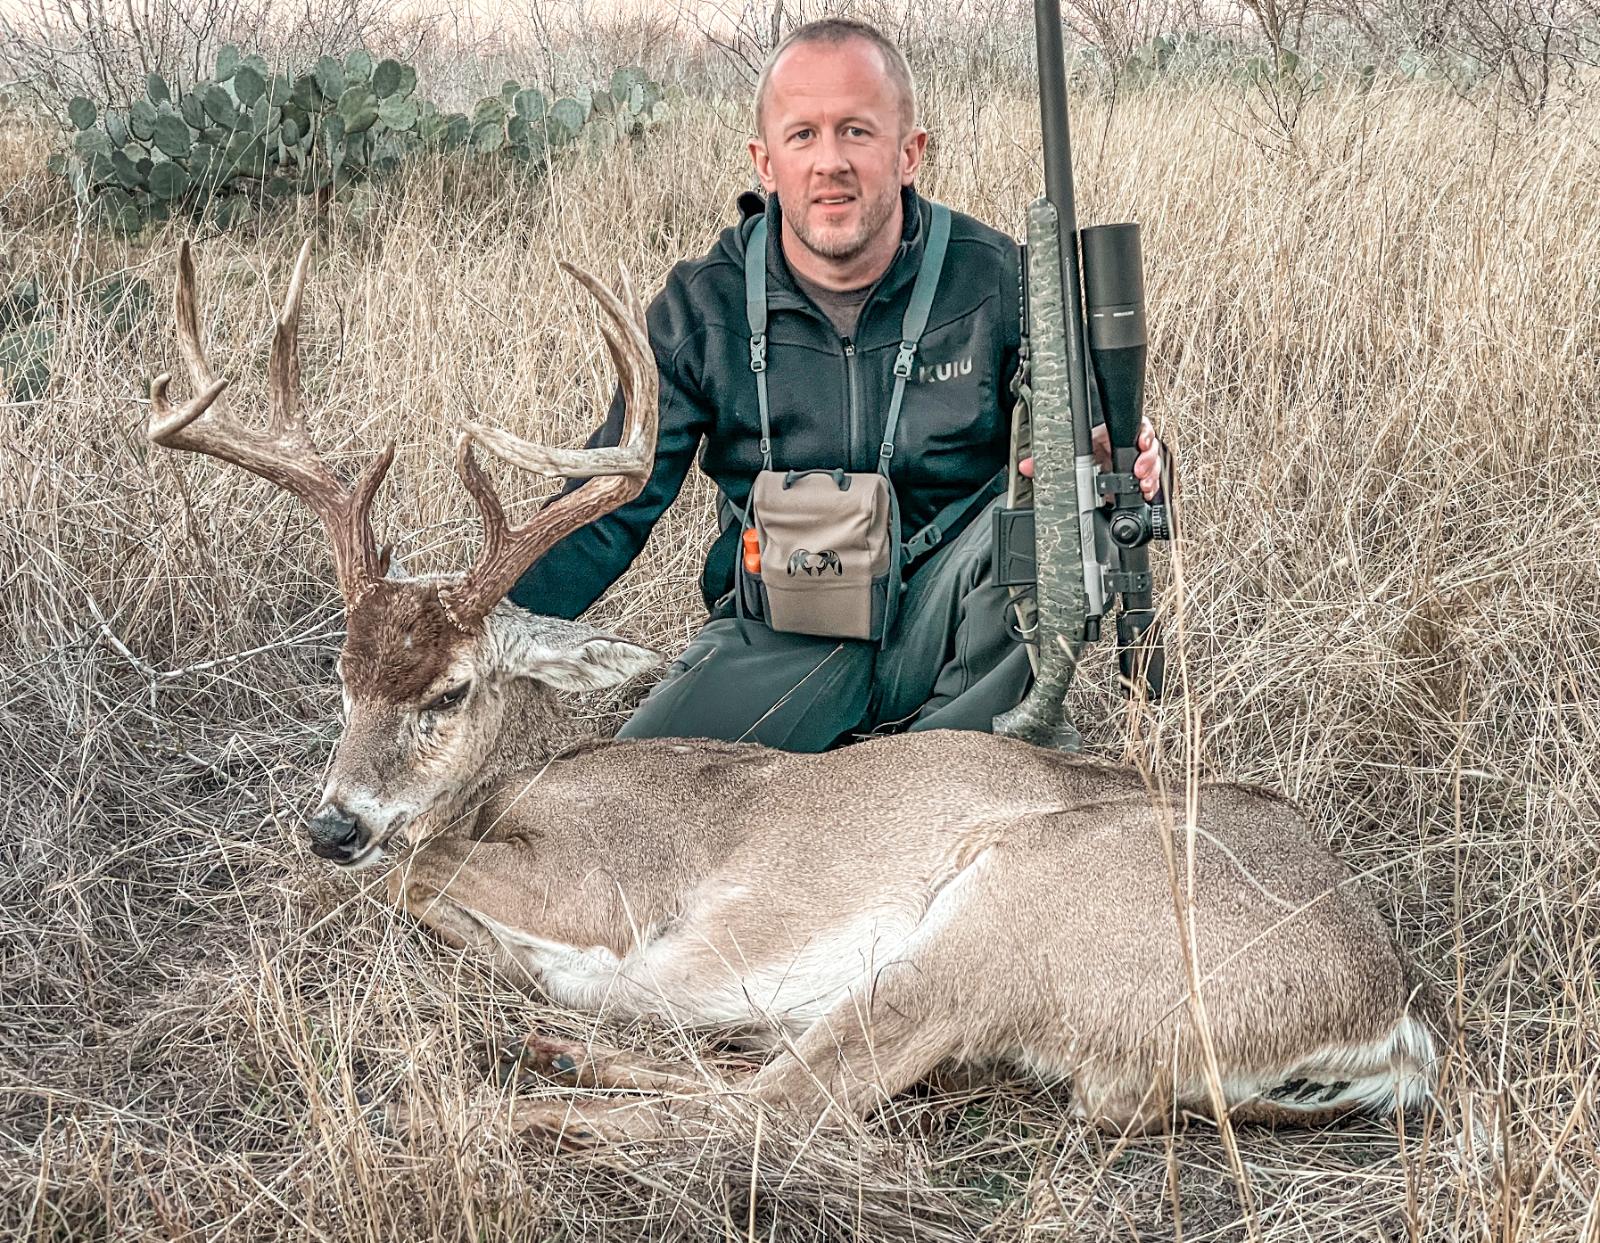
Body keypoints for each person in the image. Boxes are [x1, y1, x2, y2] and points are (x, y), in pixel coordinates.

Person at [508, 18, 1163, 751]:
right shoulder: (703, 307)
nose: (830, 163)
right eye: (803, 136)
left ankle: (955, 766)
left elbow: (1098, 455)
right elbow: (612, 509)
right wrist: (489, 614)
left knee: (1058, 510)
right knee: (634, 794)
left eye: (857, 132)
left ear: (910, 152)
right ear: (764, 161)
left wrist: (1114, 459)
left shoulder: (999, 281)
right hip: (783, 625)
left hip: (952, 625)